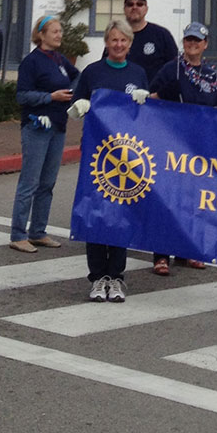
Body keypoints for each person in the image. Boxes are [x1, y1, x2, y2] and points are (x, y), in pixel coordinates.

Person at [67, 20, 149, 302]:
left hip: (126, 156)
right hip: (97, 155)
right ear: (106, 42)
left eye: (123, 40)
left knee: (120, 215)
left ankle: (116, 277)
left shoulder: (138, 73)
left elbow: (146, 118)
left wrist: (145, 102)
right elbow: (75, 107)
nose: (118, 45)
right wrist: (80, 107)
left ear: (130, 44)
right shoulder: (92, 72)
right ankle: (97, 277)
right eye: (114, 40)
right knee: (95, 212)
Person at [148, 21, 217, 273]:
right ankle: (161, 255)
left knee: (193, 200)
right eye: (188, 39)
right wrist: (162, 94)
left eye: (197, 40)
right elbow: (149, 99)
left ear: (205, 44)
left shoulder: (210, 75)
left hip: (199, 146)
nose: (192, 44)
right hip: (172, 143)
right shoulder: (172, 69)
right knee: (168, 199)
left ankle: (187, 250)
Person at [10, 14, 79, 253]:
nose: (59, 35)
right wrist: (50, 97)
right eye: (55, 31)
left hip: (59, 126)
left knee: (48, 183)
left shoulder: (59, 59)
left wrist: (73, 93)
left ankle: (38, 231)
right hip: (37, 127)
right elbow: (22, 96)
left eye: (60, 31)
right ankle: (18, 234)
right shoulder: (31, 62)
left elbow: (77, 76)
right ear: (41, 35)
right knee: (30, 182)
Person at [121, 0, 178, 83]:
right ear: (124, 9)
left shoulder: (161, 35)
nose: (134, 7)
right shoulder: (117, 36)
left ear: (146, 9)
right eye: (130, 4)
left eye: (139, 4)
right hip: (122, 90)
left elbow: (175, 67)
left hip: (153, 91)